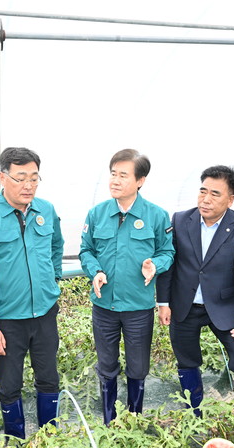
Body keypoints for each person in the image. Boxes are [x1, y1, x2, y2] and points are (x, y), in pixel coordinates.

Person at [0, 147, 64, 438]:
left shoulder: (46, 210)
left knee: (49, 378)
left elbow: (56, 246)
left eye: (34, 178)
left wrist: (53, 279)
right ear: (2, 177)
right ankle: (16, 441)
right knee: (10, 385)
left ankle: (50, 437)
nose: (28, 185)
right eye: (20, 178)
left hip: (44, 312)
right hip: (8, 319)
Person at [79, 149, 174, 425]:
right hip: (104, 306)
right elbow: (86, 250)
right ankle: (109, 420)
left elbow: (167, 252)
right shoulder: (97, 214)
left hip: (137, 307)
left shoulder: (157, 216)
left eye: (123, 175)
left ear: (140, 181)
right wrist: (95, 271)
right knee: (106, 364)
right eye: (113, 174)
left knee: (138, 366)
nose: (115, 180)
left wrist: (155, 265)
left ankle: (134, 417)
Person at [156, 165, 234, 416]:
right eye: (203, 191)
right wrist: (163, 302)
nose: (206, 199)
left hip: (224, 305)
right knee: (186, 359)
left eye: (215, 194)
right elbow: (169, 263)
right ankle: (195, 413)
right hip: (184, 304)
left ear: (230, 200)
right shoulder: (181, 220)